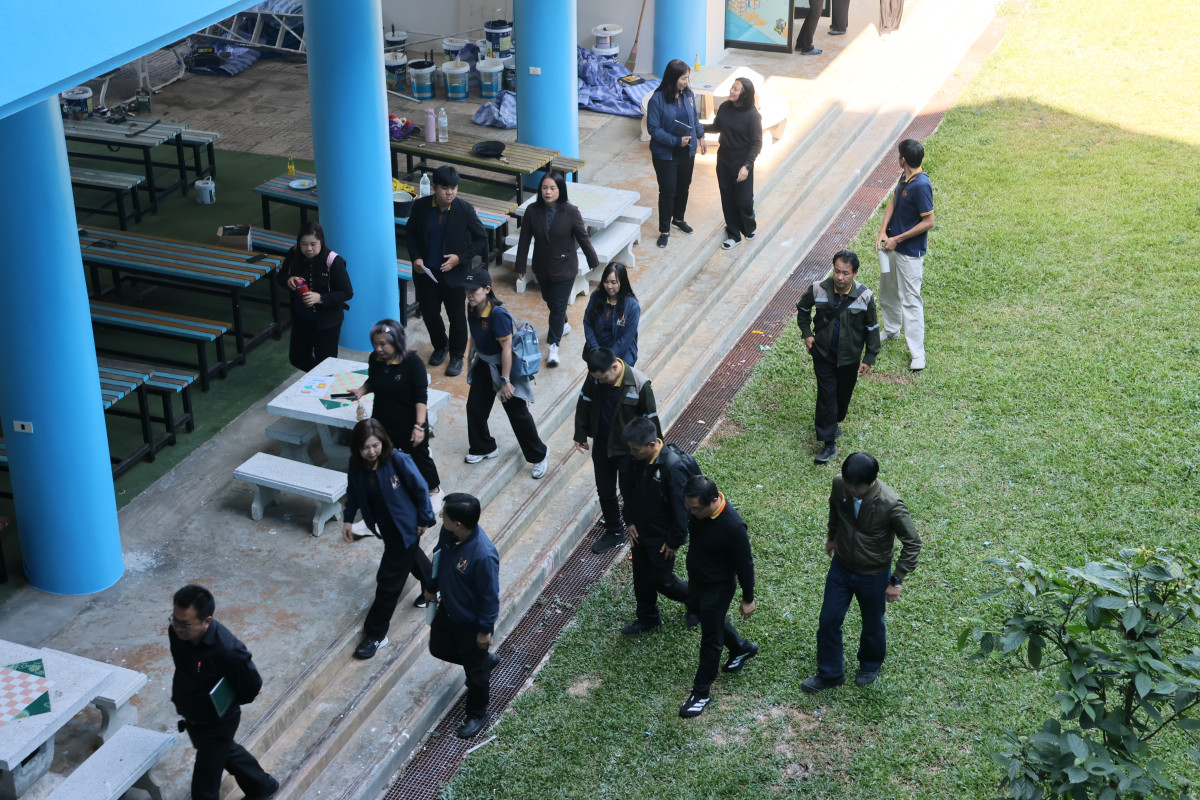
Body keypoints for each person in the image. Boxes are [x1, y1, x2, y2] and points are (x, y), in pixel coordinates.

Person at [802, 452, 922, 693]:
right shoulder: (840, 485)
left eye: (857, 487)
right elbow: (835, 510)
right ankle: (830, 674)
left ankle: (870, 665)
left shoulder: (891, 504)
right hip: (841, 568)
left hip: (874, 574)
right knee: (828, 620)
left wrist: (897, 580)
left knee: (872, 623)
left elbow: (913, 543)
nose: (852, 490)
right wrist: (832, 536)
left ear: (872, 480)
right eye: (849, 484)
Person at [168, 584, 279, 800]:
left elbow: (251, 687)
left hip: (219, 720)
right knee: (226, 751)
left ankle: (262, 786)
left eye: (185, 624)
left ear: (207, 621)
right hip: (193, 714)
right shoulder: (176, 632)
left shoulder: (228, 650)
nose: (178, 628)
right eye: (175, 620)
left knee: (204, 784)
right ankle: (262, 786)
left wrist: (224, 702)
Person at [342, 419, 436, 660]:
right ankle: (434, 586)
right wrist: (348, 519)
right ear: (357, 448)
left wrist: (424, 519)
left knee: (388, 581)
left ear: (383, 442)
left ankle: (376, 634)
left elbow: (420, 488)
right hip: (385, 527)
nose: (371, 451)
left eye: (375, 445)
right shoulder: (356, 465)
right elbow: (353, 493)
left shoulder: (399, 460)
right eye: (365, 447)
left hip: (407, 527)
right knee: (411, 555)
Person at [422, 492, 500, 739]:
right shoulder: (449, 534)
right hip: (448, 609)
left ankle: (478, 713)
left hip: (472, 623)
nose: (440, 516)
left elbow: (490, 597)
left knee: (476, 674)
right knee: (438, 648)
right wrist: (431, 587)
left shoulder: (483, 554)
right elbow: (438, 557)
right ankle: (482, 661)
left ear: (458, 523)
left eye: (443, 514)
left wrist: (485, 630)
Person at [679, 475, 757, 718]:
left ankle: (701, 693)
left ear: (713, 501)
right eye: (689, 507)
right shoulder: (699, 512)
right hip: (698, 580)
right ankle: (742, 648)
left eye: (695, 508)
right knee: (709, 618)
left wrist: (748, 598)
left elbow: (745, 565)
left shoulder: (733, 527)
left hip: (718, 588)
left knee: (711, 639)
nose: (691, 512)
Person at [796, 250, 881, 465]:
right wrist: (807, 334)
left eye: (845, 273)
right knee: (827, 396)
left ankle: (835, 421)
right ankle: (829, 443)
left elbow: (872, 327)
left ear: (855, 273)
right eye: (837, 271)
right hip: (823, 354)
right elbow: (803, 309)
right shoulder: (818, 288)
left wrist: (869, 357)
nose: (840, 277)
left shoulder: (865, 296)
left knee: (842, 396)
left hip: (849, 358)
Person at [573, 347, 661, 554]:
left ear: (614, 367)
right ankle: (614, 531)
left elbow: (651, 420)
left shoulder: (639, 384)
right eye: (597, 378)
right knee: (605, 491)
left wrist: (657, 455)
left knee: (631, 492)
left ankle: (637, 528)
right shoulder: (595, 376)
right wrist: (580, 433)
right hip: (602, 445)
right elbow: (585, 401)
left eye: (602, 378)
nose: (599, 381)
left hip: (628, 451)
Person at [463, 269, 549, 479]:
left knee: (517, 413)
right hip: (484, 362)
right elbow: (474, 335)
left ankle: (539, 455)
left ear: (487, 289)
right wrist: (470, 358)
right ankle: (483, 447)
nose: (470, 294)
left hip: (504, 366)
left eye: (474, 290)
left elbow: (507, 349)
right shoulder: (472, 307)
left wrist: (506, 381)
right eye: (467, 290)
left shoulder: (498, 314)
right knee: (474, 407)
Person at [406, 165, 488, 377]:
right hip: (426, 275)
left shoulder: (464, 209)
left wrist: (459, 258)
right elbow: (411, 234)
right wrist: (416, 258)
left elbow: (481, 239)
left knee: (456, 317)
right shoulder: (421, 206)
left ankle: (457, 355)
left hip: (454, 275)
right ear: (435, 187)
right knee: (430, 314)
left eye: (454, 188)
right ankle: (440, 346)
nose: (450, 192)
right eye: (445, 188)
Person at [514, 171, 599, 368]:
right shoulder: (532, 211)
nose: (548, 192)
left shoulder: (571, 212)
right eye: (544, 188)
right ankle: (563, 323)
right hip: (542, 267)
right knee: (550, 300)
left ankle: (553, 346)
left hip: (565, 268)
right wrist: (520, 266)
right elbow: (524, 239)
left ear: (560, 190)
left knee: (558, 307)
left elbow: (583, 238)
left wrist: (592, 260)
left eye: (552, 188)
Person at [351, 319, 441, 504]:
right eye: (375, 343)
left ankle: (434, 491)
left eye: (383, 344)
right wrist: (361, 390)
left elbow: (421, 398)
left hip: (409, 422)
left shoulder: (413, 364)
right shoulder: (375, 359)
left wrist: (419, 426)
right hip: (382, 420)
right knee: (382, 457)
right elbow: (373, 380)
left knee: (419, 457)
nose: (378, 348)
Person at [617, 417, 692, 634]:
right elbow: (628, 493)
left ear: (652, 445)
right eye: (630, 449)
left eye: (636, 449)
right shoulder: (634, 459)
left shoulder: (672, 467)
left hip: (662, 535)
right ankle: (648, 618)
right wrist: (629, 521)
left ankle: (696, 598)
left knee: (663, 580)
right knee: (641, 576)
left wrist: (674, 541)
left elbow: (681, 509)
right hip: (640, 530)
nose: (632, 453)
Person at [876, 138, 934, 371]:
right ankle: (891, 329)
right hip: (890, 247)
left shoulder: (921, 185)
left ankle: (918, 354)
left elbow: (928, 222)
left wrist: (897, 239)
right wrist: (883, 232)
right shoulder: (905, 177)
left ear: (902, 159)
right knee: (887, 290)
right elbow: (894, 201)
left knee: (910, 300)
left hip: (909, 253)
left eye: (898, 154)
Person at [277, 221, 354, 372]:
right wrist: (288, 280)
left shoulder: (333, 261)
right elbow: (281, 276)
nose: (308, 248)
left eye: (313, 244)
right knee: (297, 358)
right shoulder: (294, 254)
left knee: (326, 366)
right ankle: (318, 377)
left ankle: (323, 379)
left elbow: (347, 292)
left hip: (327, 324)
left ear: (321, 242)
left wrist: (321, 298)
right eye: (304, 244)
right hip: (301, 321)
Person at [647, 58, 706, 250]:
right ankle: (664, 230)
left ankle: (678, 219)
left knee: (683, 187)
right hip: (666, 154)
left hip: (687, 151)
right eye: (683, 78)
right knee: (668, 191)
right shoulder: (657, 100)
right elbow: (653, 129)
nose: (687, 82)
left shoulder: (688, 94)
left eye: (687, 78)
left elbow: (694, 118)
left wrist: (701, 136)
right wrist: (676, 141)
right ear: (673, 78)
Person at [707, 77, 762, 250]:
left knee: (744, 200)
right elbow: (716, 127)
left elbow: (757, 143)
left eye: (736, 89)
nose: (731, 91)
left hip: (742, 161)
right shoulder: (724, 107)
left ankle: (749, 225)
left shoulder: (752, 115)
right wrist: (697, 127)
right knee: (727, 198)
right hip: (724, 158)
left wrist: (747, 166)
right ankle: (733, 235)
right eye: (732, 87)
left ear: (744, 94)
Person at [582, 262, 640, 366]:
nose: (609, 286)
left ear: (622, 282)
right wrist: (595, 349)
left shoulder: (632, 306)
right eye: (606, 281)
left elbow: (627, 337)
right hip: (598, 349)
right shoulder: (596, 296)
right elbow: (588, 323)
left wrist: (609, 358)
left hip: (622, 352)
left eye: (614, 282)